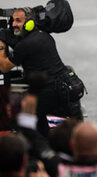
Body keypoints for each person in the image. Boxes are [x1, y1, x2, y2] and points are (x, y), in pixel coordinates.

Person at [0, 7, 83, 137]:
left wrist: (1, 44)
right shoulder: (43, 35)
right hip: (68, 86)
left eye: (18, 21)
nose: (13, 24)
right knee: (76, 131)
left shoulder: (24, 45)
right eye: (12, 21)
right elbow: (26, 47)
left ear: (29, 23)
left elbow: (4, 67)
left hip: (50, 93)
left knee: (32, 125)